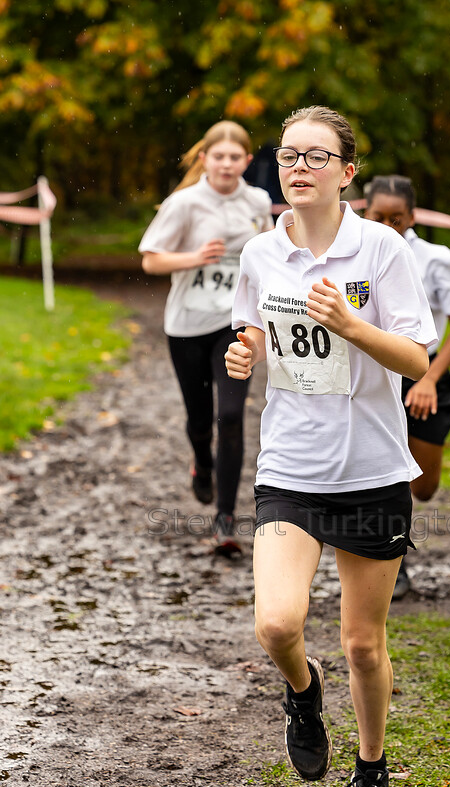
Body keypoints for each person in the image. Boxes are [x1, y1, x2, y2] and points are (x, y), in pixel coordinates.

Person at [225, 106, 437, 787]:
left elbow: (416, 358)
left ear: (347, 173)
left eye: (317, 157)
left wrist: (352, 327)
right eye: (289, 156)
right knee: (277, 625)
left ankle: (370, 772)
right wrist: (244, 350)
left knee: (360, 643)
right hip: (290, 465)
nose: (300, 168)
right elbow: (253, 322)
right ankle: (303, 694)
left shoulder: (380, 250)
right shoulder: (260, 254)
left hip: (374, 470)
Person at [139, 121, 273, 555]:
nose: (227, 164)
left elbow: (271, 257)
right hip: (187, 325)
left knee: (231, 417)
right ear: (205, 160)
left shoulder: (257, 202)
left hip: (235, 324)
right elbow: (150, 261)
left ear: (247, 163)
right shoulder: (184, 203)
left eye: (236, 157)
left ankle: (225, 521)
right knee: (200, 419)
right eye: (220, 156)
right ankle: (202, 462)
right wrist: (195, 257)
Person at [363, 175, 450, 598]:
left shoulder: (436, 259)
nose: (389, 225)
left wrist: (429, 379)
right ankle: (393, 563)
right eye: (379, 217)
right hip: (375, 377)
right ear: (365, 210)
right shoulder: (352, 252)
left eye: (398, 219)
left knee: (423, 486)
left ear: (412, 217)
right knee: (387, 475)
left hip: (425, 377)